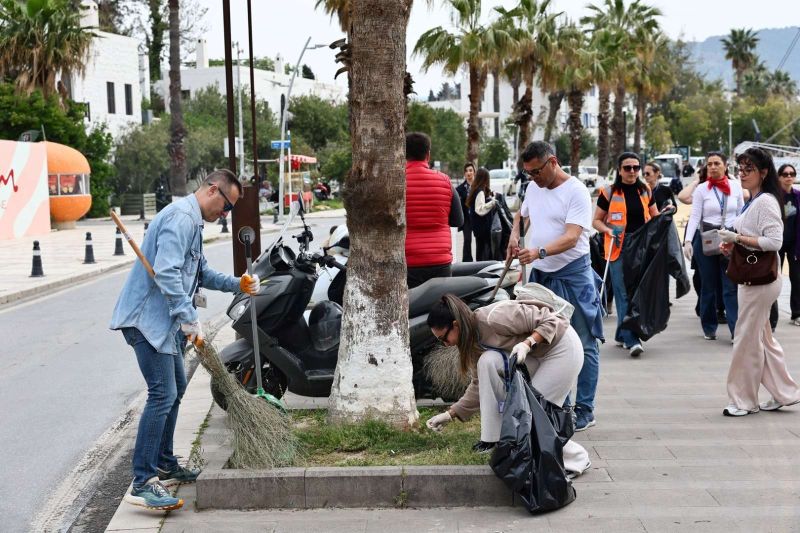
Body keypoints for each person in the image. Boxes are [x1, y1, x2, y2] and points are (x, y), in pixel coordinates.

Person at [109, 169, 260, 511]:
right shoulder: (181, 219)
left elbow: (201, 272)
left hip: (165, 323)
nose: (226, 214)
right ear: (211, 190)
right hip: (147, 322)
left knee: (174, 389)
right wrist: (188, 318)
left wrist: (240, 283)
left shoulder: (193, 223)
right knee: (163, 394)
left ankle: (164, 463)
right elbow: (166, 272)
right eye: (226, 206)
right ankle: (143, 482)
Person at [424, 294, 591, 476]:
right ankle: (492, 439)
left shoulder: (494, 318)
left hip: (562, 348)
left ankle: (577, 458)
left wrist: (528, 343)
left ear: (455, 325)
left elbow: (554, 320)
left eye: (444, 338)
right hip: (536, 355)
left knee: (532, 416)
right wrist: (451, 413)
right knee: (487, 361)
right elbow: (479, 385)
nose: (445, 344)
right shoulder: (472, 339)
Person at [507, 141, 603, 432]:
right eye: (528, 173)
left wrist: (538, 252)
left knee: (584, 343)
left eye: (537, 171)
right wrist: (515, 236)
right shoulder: (533, 187)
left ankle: (584, 409)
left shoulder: (576, 191)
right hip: (543, 277)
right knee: (548, 342)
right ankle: (561, 407)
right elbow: (522, 216)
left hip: (574, 274)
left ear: (553, 162)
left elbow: (573, 237)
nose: (533, 178)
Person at [718, 147, 800, 416]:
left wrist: (737, 239)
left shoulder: (764, 201)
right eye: (739, 168)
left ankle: (744, 400)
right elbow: (755, 236)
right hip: (756, 277)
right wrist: (734, 243)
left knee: (746, 339)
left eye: (748, 169)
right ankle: (784, 393)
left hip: (760, 280)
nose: (742, 173)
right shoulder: (755, 199)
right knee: (762, 337)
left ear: (763, 172)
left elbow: (773, 242)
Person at [593, 153, 659, 357]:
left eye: (636, 167)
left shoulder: (645, 190)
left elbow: (655, 217)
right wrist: (608, 230)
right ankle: (632, 340)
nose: (632, 171)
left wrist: (666, 215)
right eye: (627, 168)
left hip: (641, 249)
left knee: (636, 293)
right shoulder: (609, 192)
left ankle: (622, 333)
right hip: (617, 250)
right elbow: (596, 220)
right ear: (619, 170)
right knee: (622, 294)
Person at [683, 151, 744, 341]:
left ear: (725, 166)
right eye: (709, 164)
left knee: (730, 286)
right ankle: (709, 326)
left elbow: (742, 212)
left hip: (730, 238)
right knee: (708, 285)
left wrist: (743, 238)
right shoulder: (702, 189)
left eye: (717, 163)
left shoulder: (736, 186)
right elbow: (695, 216)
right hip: (707, 239)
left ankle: (736, 331)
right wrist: (687, 241)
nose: (713, 167)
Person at [405, 132, 463, 288]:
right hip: (440, 261)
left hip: (409, 261)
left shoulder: (396, 183)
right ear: (428, 155)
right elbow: (458, 220)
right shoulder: (445, 181)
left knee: (412, 309)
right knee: (442, 307)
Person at [769, 164, 800, 329]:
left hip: (795, 244)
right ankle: (771, 317)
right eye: (785, 174)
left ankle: (797, 313)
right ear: (779, 177)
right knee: (774, 279)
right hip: (776, 242)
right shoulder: (773, 197)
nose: (789, 177)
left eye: (792, 174)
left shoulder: (798, 196)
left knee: (797, 279)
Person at [467, 167, 496, 261]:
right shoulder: (480, 192)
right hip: (483, 227)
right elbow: (480, 209)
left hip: (477, 227)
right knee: (484, 250)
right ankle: (483, 269)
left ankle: (479, 267)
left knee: (480, 249)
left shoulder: (474, 189)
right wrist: (492, 202)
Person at [455, 163, 476, 262]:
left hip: (478, 218)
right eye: (467, 171)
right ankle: (467, 261)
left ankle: (482, 260)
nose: (469, 173)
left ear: (474, 172)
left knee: (481, 240)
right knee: (467, 240)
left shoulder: (479, 186)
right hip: (466, 219)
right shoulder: (459, 189)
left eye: (471, 170)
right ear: (464, 173)